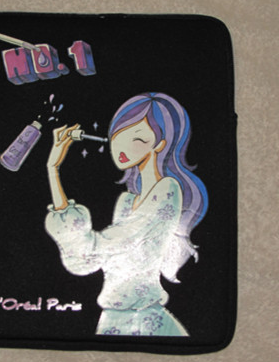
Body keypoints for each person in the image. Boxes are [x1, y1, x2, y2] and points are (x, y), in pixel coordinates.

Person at [44, 92, 208, 336]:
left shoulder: (167, 190)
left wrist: (54, 170)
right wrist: (53, 169)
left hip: (146, 321)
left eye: (138, 138)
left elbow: (95, 246)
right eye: (118, 135)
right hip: (113, 319)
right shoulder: (126, 202)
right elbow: (87, 260)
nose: (122, 146)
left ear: (160, 145)